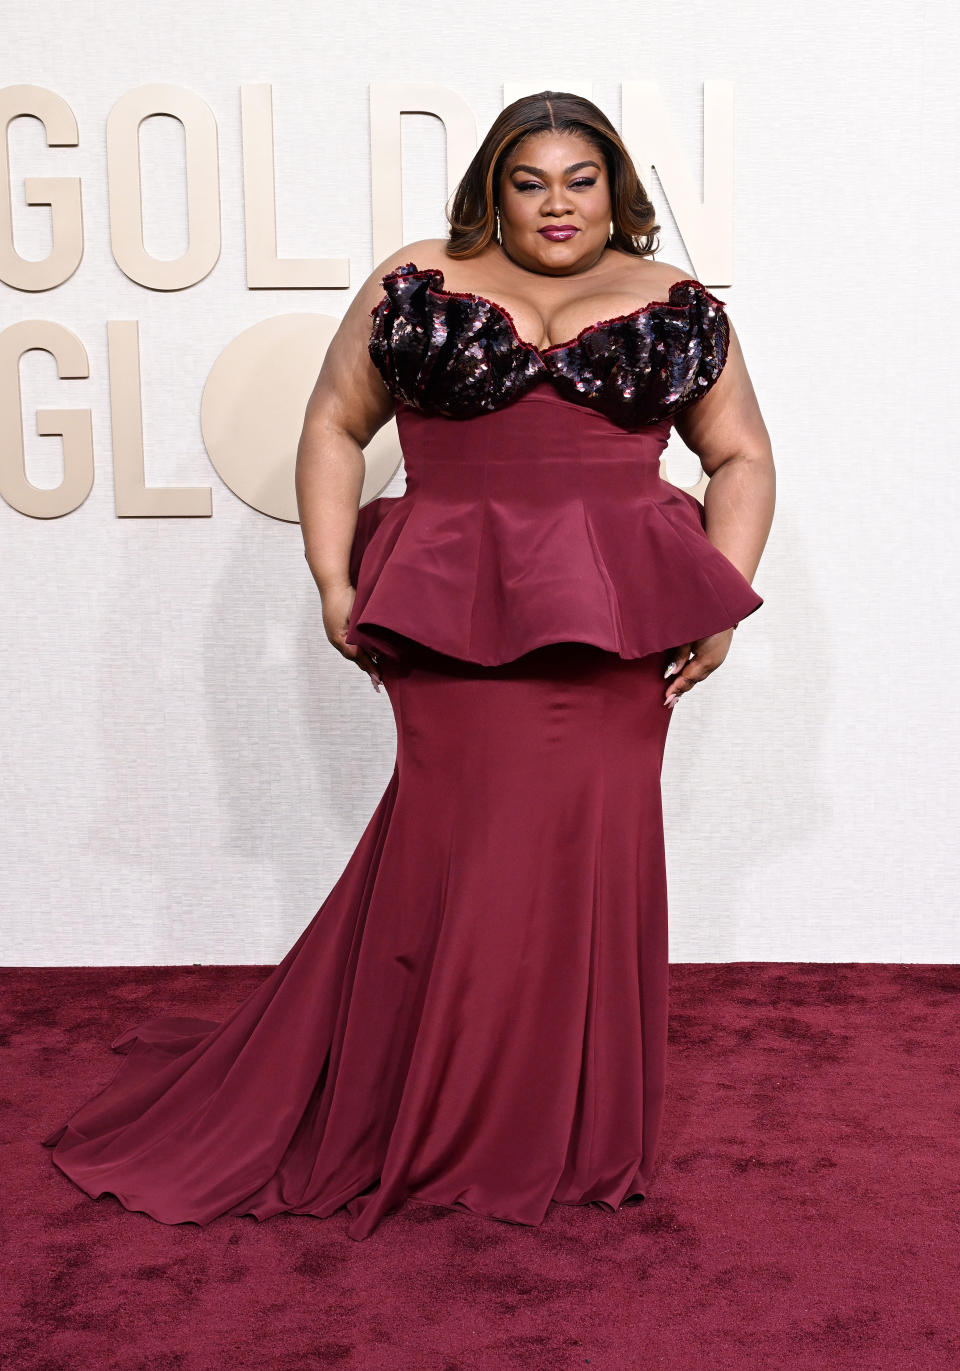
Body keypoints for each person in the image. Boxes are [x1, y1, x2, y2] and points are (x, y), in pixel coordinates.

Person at [41, 91, 775, 1243]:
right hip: (449, 617)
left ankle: (566, 1127)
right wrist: (333, 580)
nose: (556, 203)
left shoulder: (672, 301)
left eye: (579, 179)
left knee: (591, 859)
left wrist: (722, 597)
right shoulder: (417, 277)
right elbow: (335, 422)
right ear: (493, 187)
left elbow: (738, 455)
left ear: (615, 188)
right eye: (528, 181)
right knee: (454, 855)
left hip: (616, 630)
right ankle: (422, 1110)